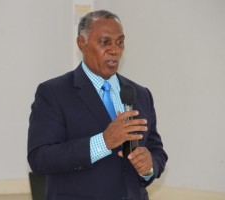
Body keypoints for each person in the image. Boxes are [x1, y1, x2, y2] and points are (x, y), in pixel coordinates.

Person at [27, 10, 168, 200]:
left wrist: (149, 166)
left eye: (120, 42)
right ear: (81, 43)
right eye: (105, 42)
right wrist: (103, 142)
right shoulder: (54, 93)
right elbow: (40, 159)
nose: (115, 50)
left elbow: (156, 150)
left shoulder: (140, 94)